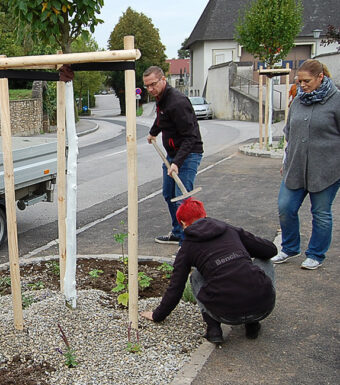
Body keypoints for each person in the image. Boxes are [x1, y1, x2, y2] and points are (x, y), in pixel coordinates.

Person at [140, 198, 277, 344]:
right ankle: (252, 324)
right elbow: (270, 250)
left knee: (196, 276)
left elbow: (176, 287)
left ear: (184, 224)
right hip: (264, 308)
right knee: (264, 260)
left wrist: (157, 315)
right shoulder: (229, 229)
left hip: (224, 313)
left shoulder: (187, 248)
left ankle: (213, 330)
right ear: (204, 215)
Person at [272, 60, 340, 270]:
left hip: (326, 169)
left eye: (306, 81)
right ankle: (290, 248)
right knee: (285, 207)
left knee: (320, 212)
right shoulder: (298, 100)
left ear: (321, 77)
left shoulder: (336, 100)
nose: (302, 85)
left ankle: (316, 254)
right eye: (299, 81)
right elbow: (289, 134)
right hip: (296, 167)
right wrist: (286, 159)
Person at [144, 66, 204, 245]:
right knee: (168, 194)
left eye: (153, 84)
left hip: (188, 154)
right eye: (147, 86)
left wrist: (177, 162)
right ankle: (178, 232)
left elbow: (190, 136)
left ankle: (188, 244)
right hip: (172, 156)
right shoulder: (161, 99)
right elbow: (162, 118)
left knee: (182, 199)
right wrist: (153, 132)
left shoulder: (178, 102)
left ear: (163, 79)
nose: (150, 89)